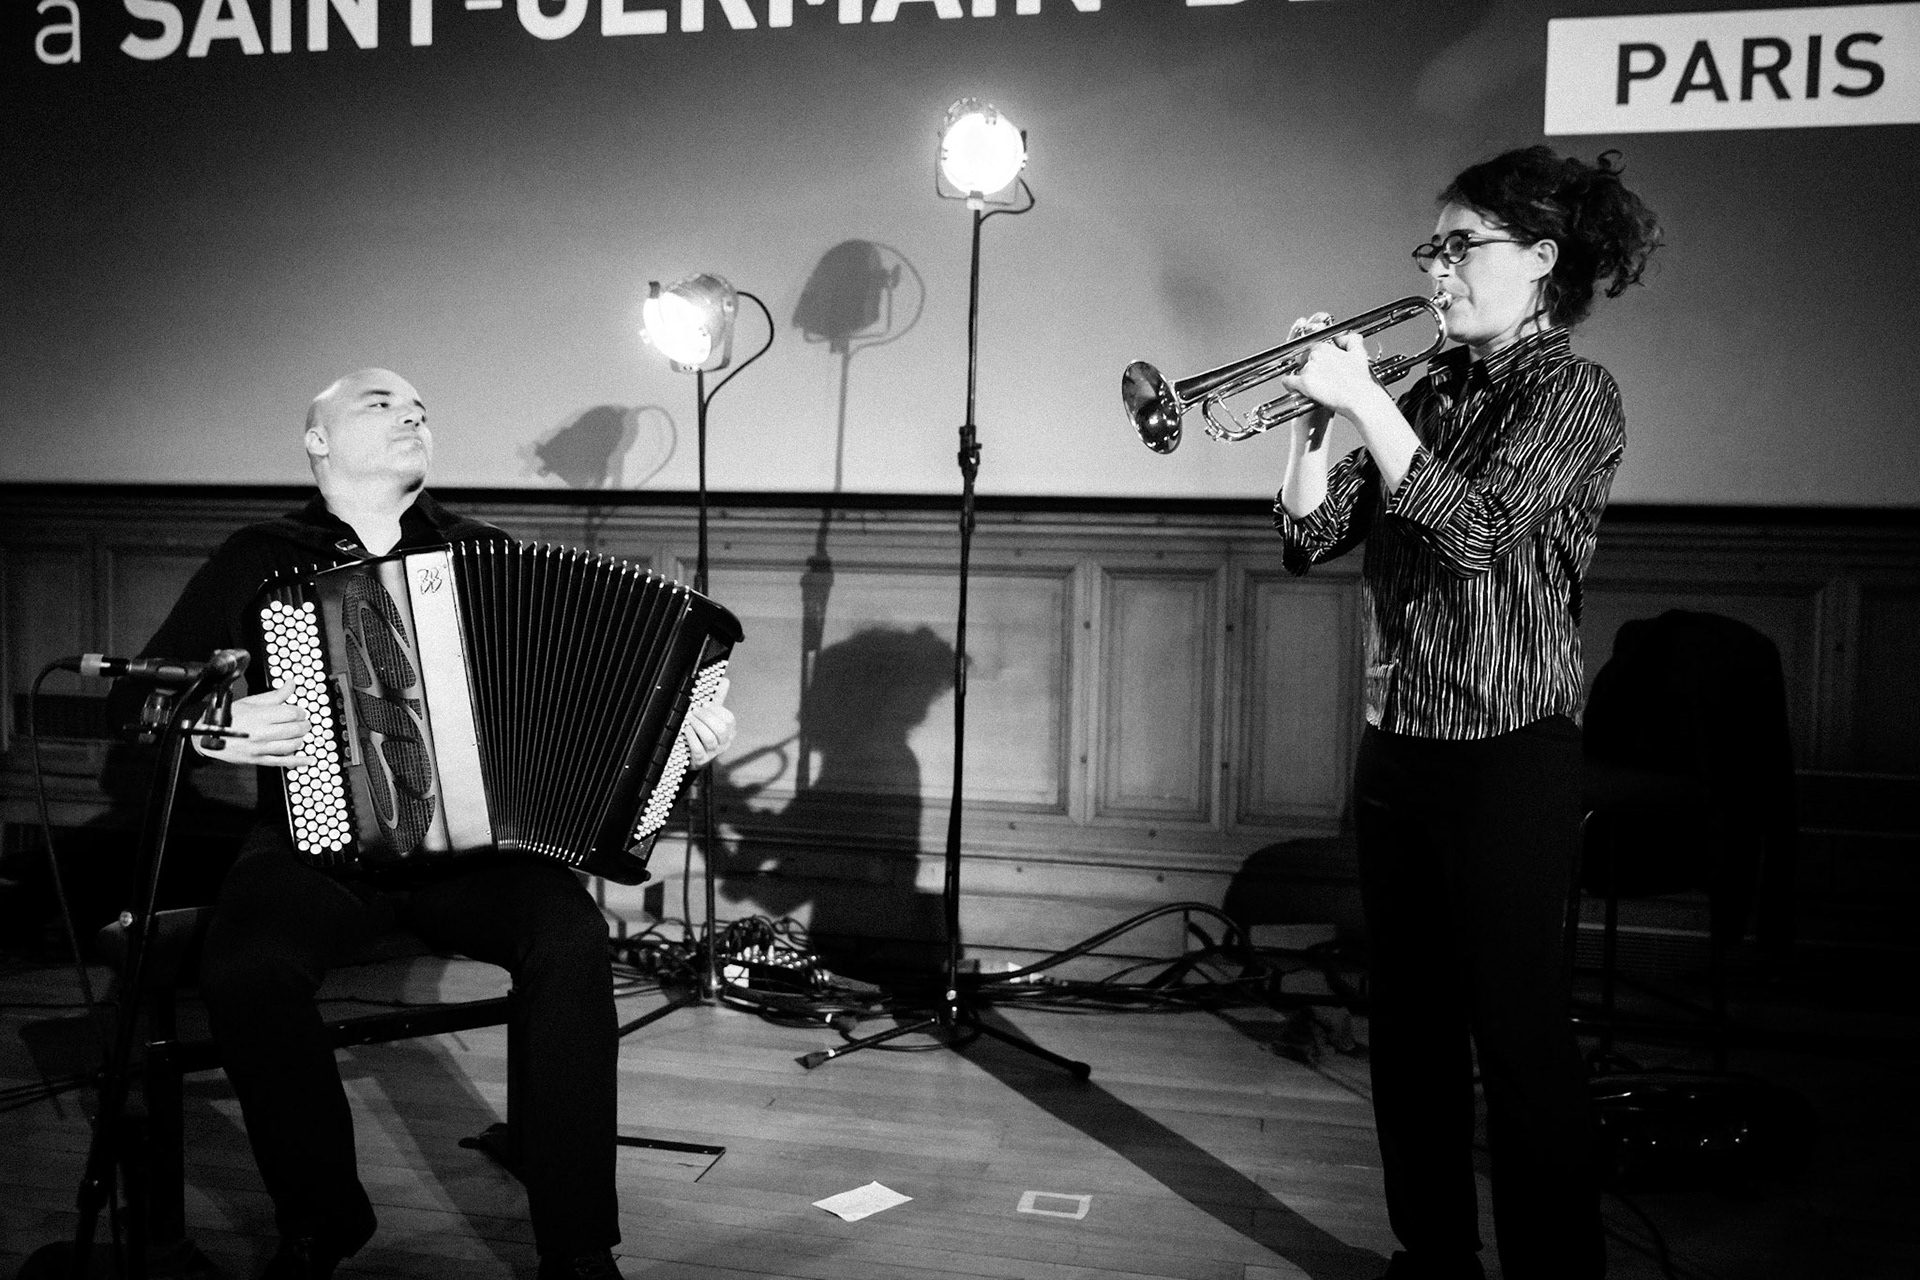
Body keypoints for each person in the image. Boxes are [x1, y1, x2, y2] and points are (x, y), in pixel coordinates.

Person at [109, 369, 737, 1280]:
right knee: (247, 966)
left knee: (568, 935)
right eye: (378, 404)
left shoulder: (485, 555)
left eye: (420, 409)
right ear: (317, 441)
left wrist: (679, 738)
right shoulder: (260, 557)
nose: (411, 414)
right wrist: (214, 726)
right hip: (314, 848)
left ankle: (577, 1243)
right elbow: (141, 703)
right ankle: (323, 1217)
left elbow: (579, 713)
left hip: (478, 860)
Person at [1272, 148, 1662, 1280]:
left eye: (1461, 246)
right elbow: (1305, 538)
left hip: (1508, 752)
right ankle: (1432, 1252)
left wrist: (1367, 409)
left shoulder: (1574, 393)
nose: (1437, 269)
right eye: (1431, 248)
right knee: (1412, 1027)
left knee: (1521, 1035)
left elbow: (1477, 533)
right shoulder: (1422, 388)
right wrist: (1314, 420)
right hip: (1400, 742)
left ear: (1541, 261)